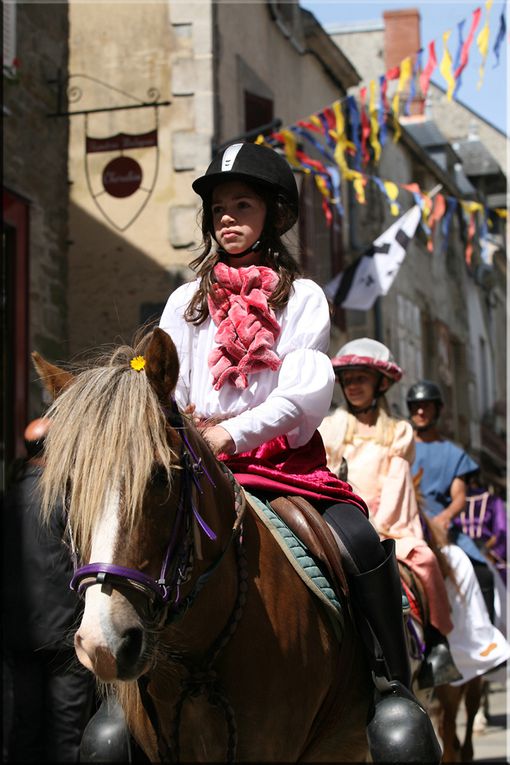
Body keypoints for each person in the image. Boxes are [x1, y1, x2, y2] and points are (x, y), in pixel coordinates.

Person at [157, 140, 441, 762]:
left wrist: (231, 434)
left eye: (242, 205)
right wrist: (186, 432)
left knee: (362, 541)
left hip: (282, 466)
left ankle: (392, 688)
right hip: (200, 465)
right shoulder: (185, 303)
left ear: (272, 215)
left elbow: (306, 393)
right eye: (218, 208)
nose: (227, 217)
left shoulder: (303, 296)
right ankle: (118, 702)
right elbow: (167, 385)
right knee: (130, 544)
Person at [318, 337, 461, 688]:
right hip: (337, 518)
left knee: (425, 559)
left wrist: (377, 527)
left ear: (381, 384)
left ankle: (436, 645)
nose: (352, 386)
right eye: (348, 380)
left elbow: (397, 488)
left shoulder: (399, 433)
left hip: (388, 523)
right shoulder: (328, 428)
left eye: (361, 379)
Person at [2, 418, 95, 762]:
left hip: (18, 635)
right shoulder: (68, 498)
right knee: (67, 735)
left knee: (24, 727)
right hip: (64, 638)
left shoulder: (9, 496)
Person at [407, 381, 510, 684]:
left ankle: (484, 647)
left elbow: (460, 498)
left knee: (484, 574)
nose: (420, 411)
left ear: (438, 410)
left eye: (426, 406)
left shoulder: (452, 453)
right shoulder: (401, 445)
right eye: (415, 406)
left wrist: (442, 519)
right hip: (405, 523)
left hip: (444, 530)